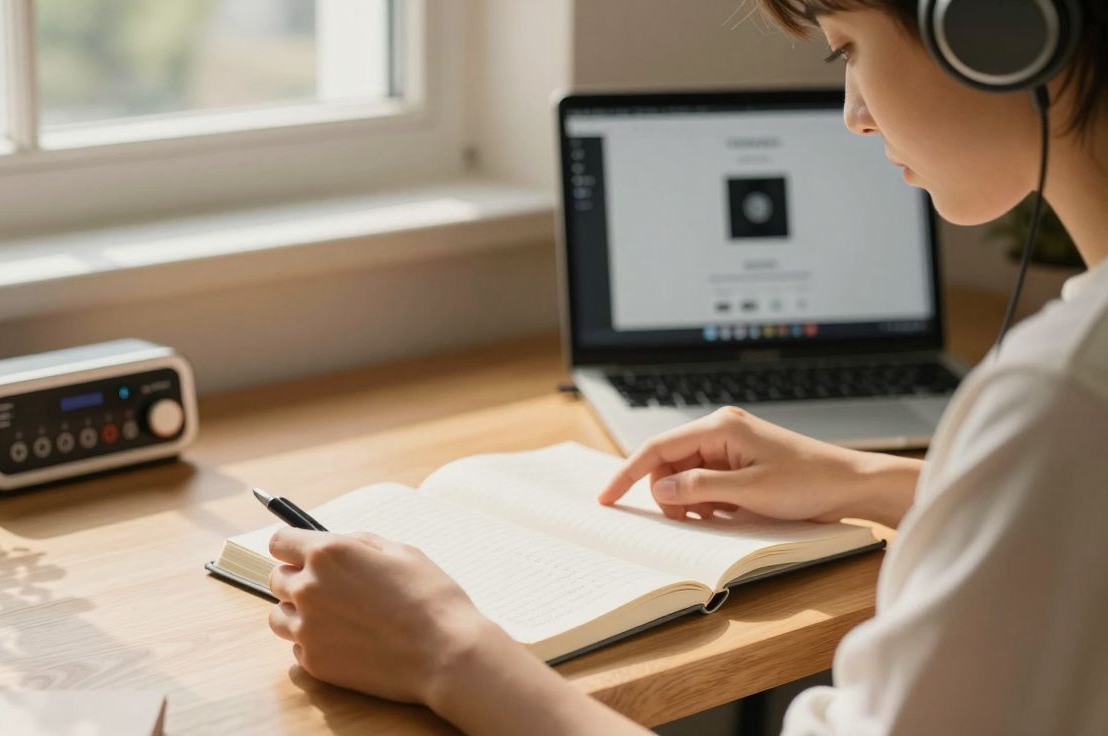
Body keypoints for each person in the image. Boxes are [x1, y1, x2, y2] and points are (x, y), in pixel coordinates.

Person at [263, 2, 1108, 733]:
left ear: (996, 27)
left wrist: (446, 650)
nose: (853, 113)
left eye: (847, 46)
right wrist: (870, 480)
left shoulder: (1061, 397)